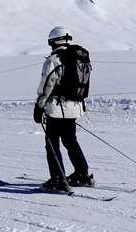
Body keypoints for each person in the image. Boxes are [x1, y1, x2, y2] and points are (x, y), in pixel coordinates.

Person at [33, 26, 93, 190]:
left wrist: (39, 107)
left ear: (53, 42)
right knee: (70, 140)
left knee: (52, 142)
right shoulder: (79, 58)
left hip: (57, 108)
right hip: (75, 106)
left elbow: (47, 86)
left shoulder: (54, 60)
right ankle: (82, 173)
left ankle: (58, 178)